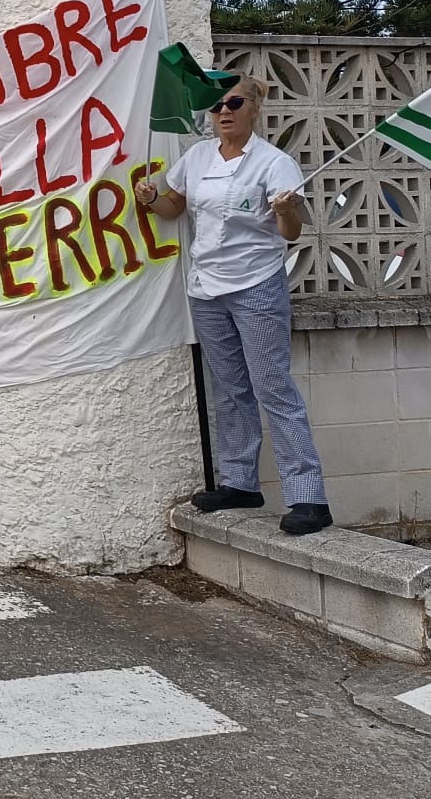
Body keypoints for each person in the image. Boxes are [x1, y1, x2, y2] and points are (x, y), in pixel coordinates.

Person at [134, 74, 332, 536]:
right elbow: (175, 207)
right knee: (228, 388)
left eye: (235, 103)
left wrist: (284, 210)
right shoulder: (197, 157)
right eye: (217, 105)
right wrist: (151, 199)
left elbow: (291, 233)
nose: (224, 112)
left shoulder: (275, 164)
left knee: (272, 387)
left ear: (255, 108)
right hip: (206, 289)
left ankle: (309, 498)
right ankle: (240, 482)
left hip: (255, 285)